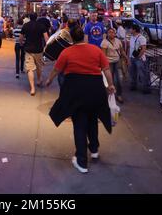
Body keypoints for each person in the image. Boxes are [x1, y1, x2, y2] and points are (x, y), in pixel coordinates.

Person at [46, 25, 115, 174]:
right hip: (95, 89)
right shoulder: (96, 50)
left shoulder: (66, 52)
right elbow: (106, 69)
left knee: (79, 124)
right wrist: (110, 85)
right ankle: (94, 149)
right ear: (84, 37)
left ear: (71, 38)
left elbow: (57, 70)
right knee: (92, 119)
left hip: (76, 91)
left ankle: (82, 161)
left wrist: (49, 80)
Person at [20, 12, 49, 95]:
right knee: (39, 67)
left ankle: (32, 89)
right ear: (36, 17)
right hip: (39, 50)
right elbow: (46, 39)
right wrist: (46, 48)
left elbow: (21, 37)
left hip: (28, 49)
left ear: (29, 17)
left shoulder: (25, 25)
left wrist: (21, 43)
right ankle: (39, 80)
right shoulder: (41, 26)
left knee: (30, 69)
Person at [101, 27, 127, 103]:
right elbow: (103, 55)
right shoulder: (104, 42)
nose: (111, 34)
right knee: (109, 81)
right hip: (108, 64)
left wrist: (126, 59)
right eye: (110, 32)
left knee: (118, 80)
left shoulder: (118, 41)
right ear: (107, 34)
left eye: (113, 32)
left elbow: (122, 51)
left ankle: (119, 95)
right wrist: (103, 66)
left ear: (115, 33)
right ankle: (109, 95)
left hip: (117, 63)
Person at [129, 24, 150, 93]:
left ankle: (146, 88)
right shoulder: (132, 37)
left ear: (134, 30)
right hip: (132, 58)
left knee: (143, 73)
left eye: (131, 28)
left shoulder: (141, 38)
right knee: (132, 73)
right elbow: (131, 47)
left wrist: (138, 57)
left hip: (139, 59)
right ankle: (133, 86)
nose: (130, 30)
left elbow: (143, 49)